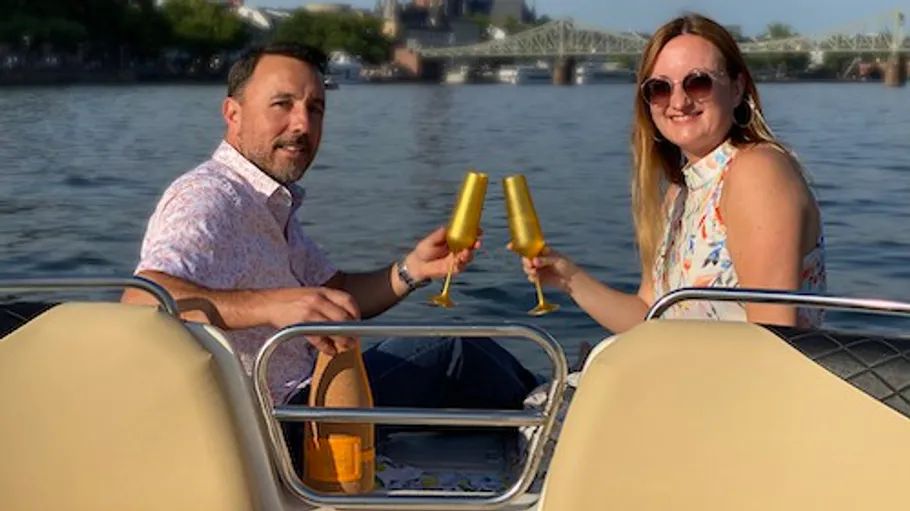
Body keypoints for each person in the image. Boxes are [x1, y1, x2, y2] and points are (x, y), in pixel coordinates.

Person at [120, 42, 540, 470]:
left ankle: (551, 404)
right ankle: (562, 419)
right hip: (280, 423)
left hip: (316, 396)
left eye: (315, 108)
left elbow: (337, 293)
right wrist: (271, 304)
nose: (302, 124)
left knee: (459, 357)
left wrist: (413, 269)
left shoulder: (268, 202)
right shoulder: (207, 197)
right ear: (233, 114)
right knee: (454, 352)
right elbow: (143, 300)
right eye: (282, 104)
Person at [517, 13, 827, 338]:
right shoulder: (680, 193)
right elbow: (648, 318)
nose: (678, 101)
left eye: (698, 82)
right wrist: (569, 277)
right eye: (660, 88)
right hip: (684, 377)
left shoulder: (757, 171)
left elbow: (771, 339)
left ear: (737, 88)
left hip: (742, 385)